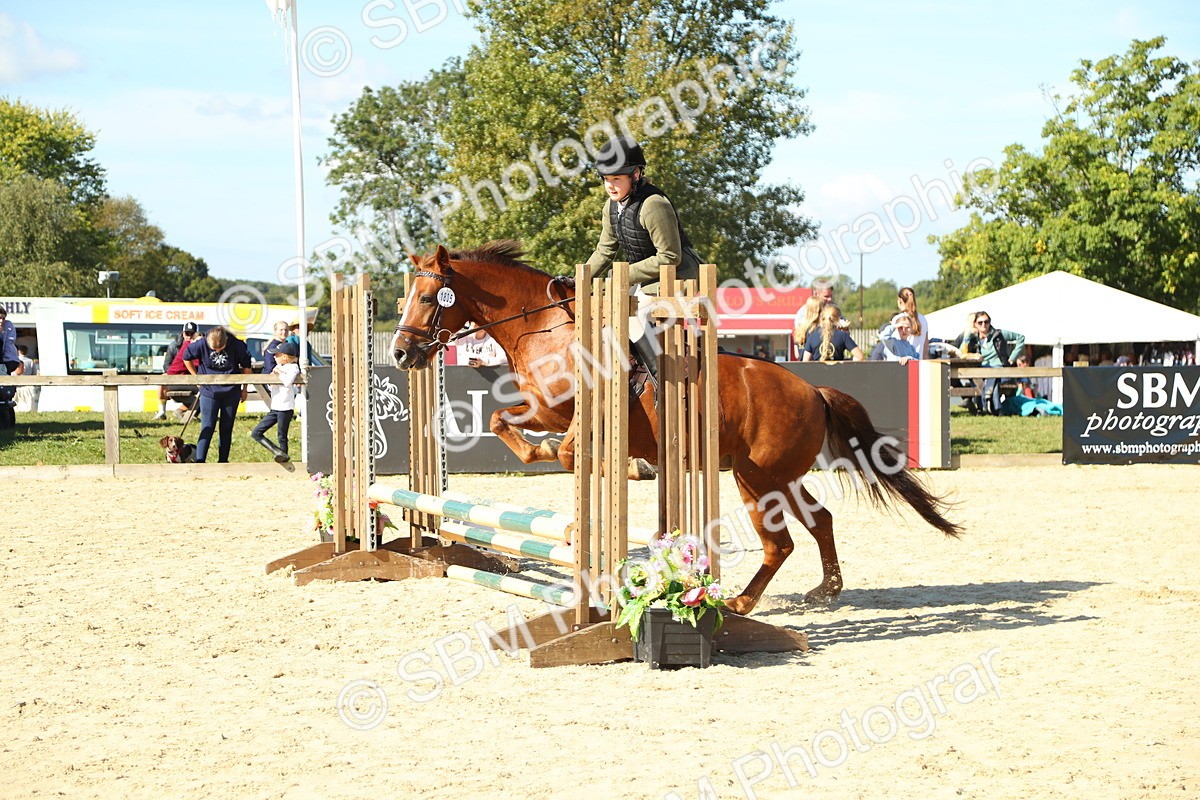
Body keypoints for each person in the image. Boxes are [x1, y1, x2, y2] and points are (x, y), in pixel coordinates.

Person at [583, 136, 701, 387]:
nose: (610, 186)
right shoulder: (611, 207)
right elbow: (604, 250)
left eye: (617, 179)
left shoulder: (653, 205)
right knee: (606, 316)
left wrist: (623, 274)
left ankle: (662, 376)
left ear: (635, 175)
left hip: (678, 274)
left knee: (630, 314)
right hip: (646, 278)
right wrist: (579, 279)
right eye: (606, 179)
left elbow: (670, 256)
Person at [183, 325, 253, 463]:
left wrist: (244, 389)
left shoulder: (238, 345)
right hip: (209, 390)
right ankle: (200, 461)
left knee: (226, 428)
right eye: (213, 349)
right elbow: (186, 357)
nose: (216, 351)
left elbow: (246, 367)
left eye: (219, 349)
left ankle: (223, 461)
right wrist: (196, 377)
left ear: (226, 341)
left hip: (231, 391)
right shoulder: (201, 344)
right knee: (207, 427)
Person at [952, 311, 1025, 414]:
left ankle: (988, 406)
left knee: (992, 375)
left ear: (990, 322)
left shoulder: (999, 334)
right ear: (975, 324)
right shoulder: (973, 338)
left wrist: (1012, 357)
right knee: (986, 379)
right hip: (981, 369)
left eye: (986, 322)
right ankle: (995, 407)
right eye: (980, 322)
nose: (984, 325)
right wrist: (968, 336)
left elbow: (1020, 338)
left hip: (999, 368)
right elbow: (961, 352)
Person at [250, 340, 301, 462]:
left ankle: (283, 456)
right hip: (275, 407)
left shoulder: (293, 367)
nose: (274, 357)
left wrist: (279, 374)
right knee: (256, 432)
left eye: (277, 355)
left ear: (284, 356)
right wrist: (273, 378)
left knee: (281, 436)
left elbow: (287, 382)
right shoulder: (278, 367)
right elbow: (270, 385)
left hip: (286, 407)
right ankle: (276, 451)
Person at [155, 322, 199, 419]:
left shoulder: (193, 345)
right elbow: (167, 365)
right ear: (183, 333)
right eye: (187, 333)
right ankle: (162, 411)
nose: (189, 336)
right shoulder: (174, 346)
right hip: (178, 379)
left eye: (192, 334)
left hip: (189, 378)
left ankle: (183, 412)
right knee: (163, 377)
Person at [896, 287, 930, 358]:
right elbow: (926, 347)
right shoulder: (923, 319)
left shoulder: (899, 318)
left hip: (903, 363)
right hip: (918, 362)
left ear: (900, 300)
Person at [790, 295, 826, 360]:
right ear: (819, 310)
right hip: (814, 366)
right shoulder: (817, 330)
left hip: (801, 366)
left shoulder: (800, 328)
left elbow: (797, 354)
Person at [15, 344, 38, 412]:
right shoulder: (30, 361)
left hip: (17, 382)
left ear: (18, 351)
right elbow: (34, 372)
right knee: (28, 400)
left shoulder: (16, 360)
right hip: (27, 383)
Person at [0, 306, 22, 377]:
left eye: (3, 318)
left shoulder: (8, 325)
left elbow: (8, 344)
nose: (1, 321)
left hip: (7, 361)